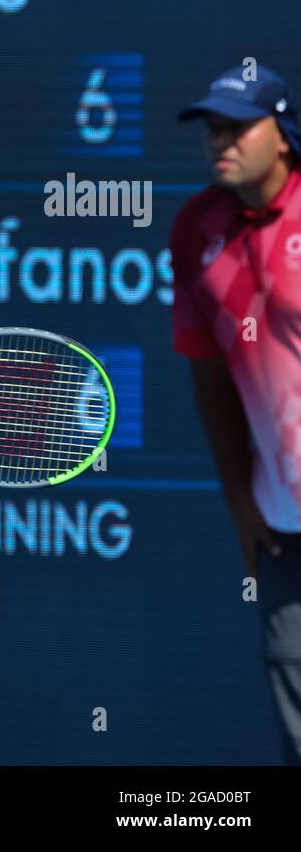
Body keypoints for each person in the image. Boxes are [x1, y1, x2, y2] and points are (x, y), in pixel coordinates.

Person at [172, 63, 301, 764]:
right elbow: (210, 379)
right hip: (283, 531)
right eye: (211, 128)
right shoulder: (197, 230)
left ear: (282, 134)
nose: (219, 140)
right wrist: (239, 499)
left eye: (237, 125)